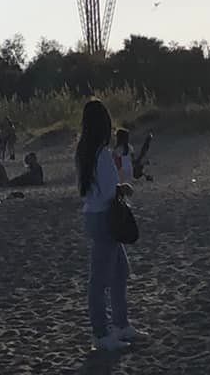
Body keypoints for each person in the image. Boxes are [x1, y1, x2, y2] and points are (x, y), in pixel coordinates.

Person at [77, 99, 134, 355]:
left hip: (97, 215)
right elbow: (108, 189)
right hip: (104, 217)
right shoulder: (98, 154)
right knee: (100, 280)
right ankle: (101, 333)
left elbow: (95, 188)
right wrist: (122, 189)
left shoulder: (87, 151)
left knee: (120, 271)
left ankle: (121, 325)